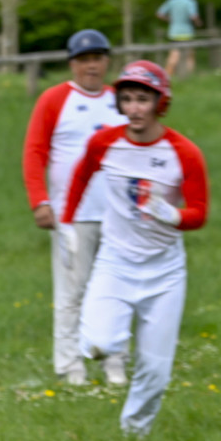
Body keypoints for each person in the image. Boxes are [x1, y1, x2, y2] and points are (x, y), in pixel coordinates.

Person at [62, 61, 209, 437]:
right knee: (98, 342)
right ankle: (110, 342)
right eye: (126, 99)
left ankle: (133, 435)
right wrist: (68, 223)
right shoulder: (104, 143)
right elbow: (80, 176)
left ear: (161, 102)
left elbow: (199, 214)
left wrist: (172, 215)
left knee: (156, 369)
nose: (134, 108)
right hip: (116, 261)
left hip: (165, 270)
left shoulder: (184, 153)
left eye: (143, 99)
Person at [23, 28, 130, 386]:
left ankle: (115, 360)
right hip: (72, 215)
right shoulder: (55, 100)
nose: (91, 66)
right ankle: (70, 365)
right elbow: (35, 151)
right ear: (72, 64)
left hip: (116, 213)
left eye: (97, 59)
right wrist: (40, 200)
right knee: (73, 291)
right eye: (84, 60)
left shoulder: (120, 99)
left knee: (116, 289)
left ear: (107, 62)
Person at [156, 0, 202, 77]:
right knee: (189, 55)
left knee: (173, 55)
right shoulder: (191, 1)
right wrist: (198, 23)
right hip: (187, 32)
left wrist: (170, 20)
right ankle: (189, 76)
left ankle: (167, 76)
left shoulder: (172, 0)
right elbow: (193, 16)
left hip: (174, 32)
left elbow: (160, 14)